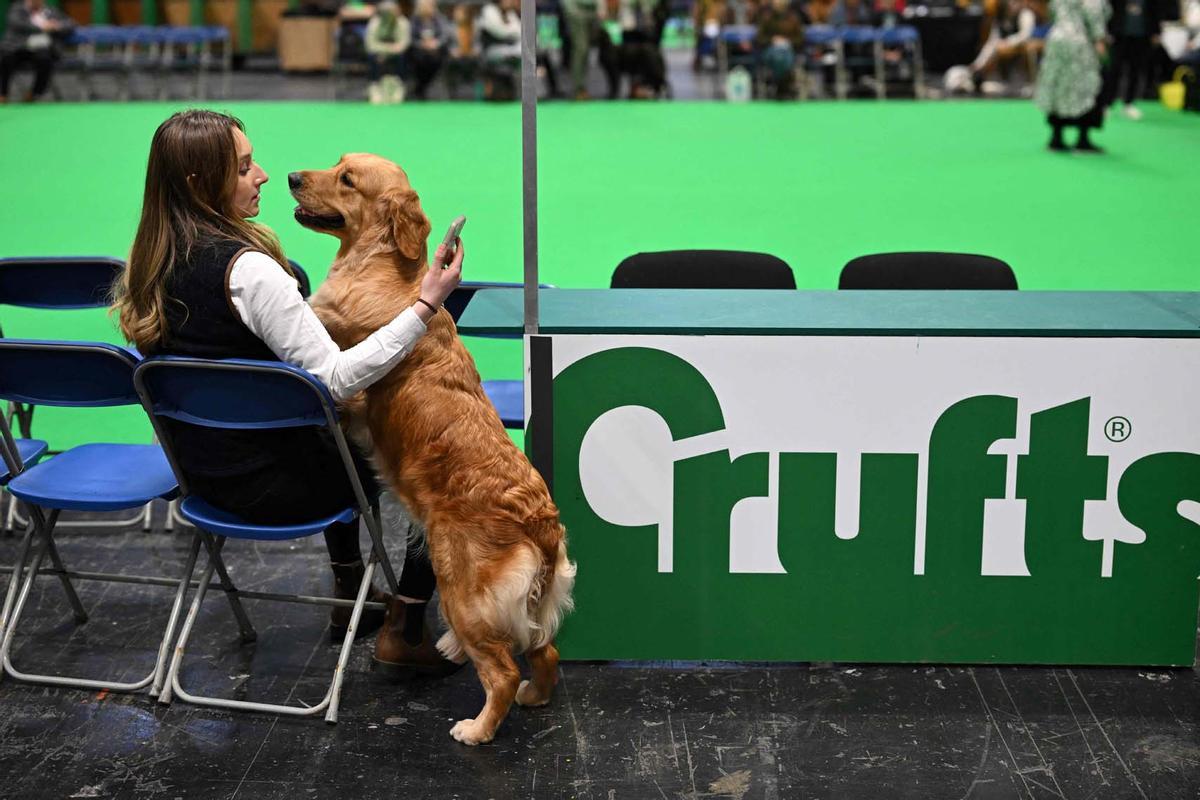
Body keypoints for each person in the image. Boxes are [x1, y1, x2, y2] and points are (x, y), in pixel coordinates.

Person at [111, 110, 464, 673]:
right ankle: (409, 625)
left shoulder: (149, 262)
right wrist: (425, 305)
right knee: (439, 467)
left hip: (201, 480)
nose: (265, 175)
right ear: (204, 184)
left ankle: (351, 591)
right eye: (246, 167)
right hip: (286, 487)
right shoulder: (251, 272)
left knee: (331, 433)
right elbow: (336, 378)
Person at [1034, 0, 1110, 152]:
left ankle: (1056, 136)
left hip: (1056, 39)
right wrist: (1100, 40)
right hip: (1080, 42)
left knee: (1058, 86)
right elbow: (1093, 14)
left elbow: (1052, 11)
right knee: (1085, 88)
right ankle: (1083, 138)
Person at [0, 0, 72, 103]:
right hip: (17, 47)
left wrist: (57, 26)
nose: (36, 1)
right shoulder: (17, 9)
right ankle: (3, 93)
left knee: (45, 59)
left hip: (40, 48)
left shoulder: (51, 11)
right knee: (6, 57)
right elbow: (17, 23)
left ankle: (34, 94)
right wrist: (43, 26)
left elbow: (70, 24)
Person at [1103, 0, 1163, 119]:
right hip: (1119, 36)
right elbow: (1109, 10)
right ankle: (1107, 104)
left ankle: (1129, 104)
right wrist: (1108, 31)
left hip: (1142, 37)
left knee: (1136, 71)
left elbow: (1156, 11)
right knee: (1114, 70)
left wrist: (1156, 33)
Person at [754, 0, 805, 98]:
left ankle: (778, 86)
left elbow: (800, 39)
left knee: (783, 57)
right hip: (770, 50)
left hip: (789, 50)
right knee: (778, 57)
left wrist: (788, 41)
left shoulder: (794, 18)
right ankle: (784, 87)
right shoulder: (766, 18)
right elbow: (759, 38)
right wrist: (772, 40)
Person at [365, 0, 411, 101]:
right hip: (379, 53)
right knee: (372, 56)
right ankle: (375, 86)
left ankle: (399, 86)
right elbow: (370, 44)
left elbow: (403, 44)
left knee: (402, 56)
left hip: (396, 54)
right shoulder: (374, 23)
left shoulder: (403, 22)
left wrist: (389, 50)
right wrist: (386, 50)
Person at [409, 0, 453, 99]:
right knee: (419, 59)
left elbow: (445, 36)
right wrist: (422, 44)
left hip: (436, 51)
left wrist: (436, 44)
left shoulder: (439, 19)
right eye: (426, 5)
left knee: (436, 59)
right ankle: (421, 88)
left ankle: (424, 87)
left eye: (431, 5)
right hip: (419, 51)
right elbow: (411, 38)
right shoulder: (415, 20)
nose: (429, 8)